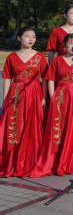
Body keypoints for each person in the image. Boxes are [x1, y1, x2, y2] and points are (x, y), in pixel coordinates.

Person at [32, 34, 73, 177]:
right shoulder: (57, 60)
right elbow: (50, 79)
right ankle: (56, 159)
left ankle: (71, 161)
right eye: (70, 43)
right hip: (61, 95)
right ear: (64, 46)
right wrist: (53, 98)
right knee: (58, 127)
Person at [0, 27, 47, 177]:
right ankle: (13, 162)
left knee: (32, 127)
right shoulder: (12, 57)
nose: (31, 39)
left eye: (33, 36)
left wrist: (44, 97)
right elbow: (7, 80)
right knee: (16, 127)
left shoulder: (40, 56)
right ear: (19, 38)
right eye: (27, 36)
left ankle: (30, 161)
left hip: (34, 94)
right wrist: (5, 101)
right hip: (15, 95)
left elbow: (46, 79)